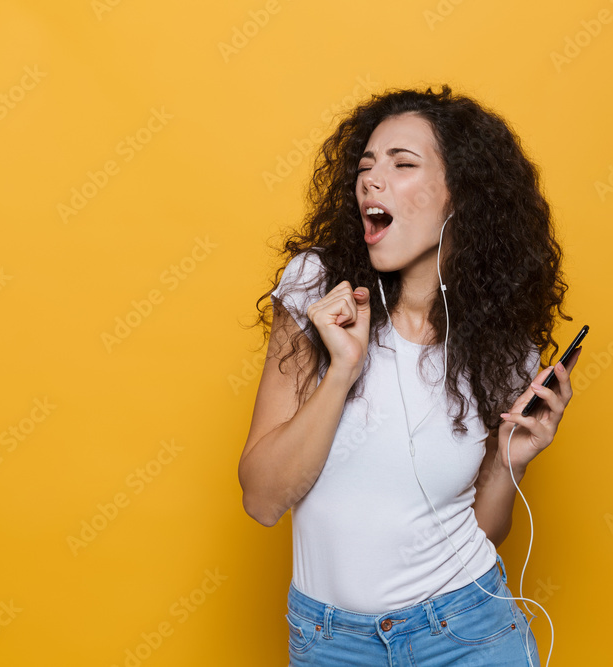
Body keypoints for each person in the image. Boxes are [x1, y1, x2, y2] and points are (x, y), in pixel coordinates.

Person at [239, 84, 582, 667]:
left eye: (403, 164)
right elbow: (262, 499)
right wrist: (342, 368)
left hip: (469, 632)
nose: (372, 180)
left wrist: (508, 462)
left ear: (461, 199)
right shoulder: (315, 290)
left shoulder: (500, 351)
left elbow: (483, 532)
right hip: (332, 643)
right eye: (366, 165)